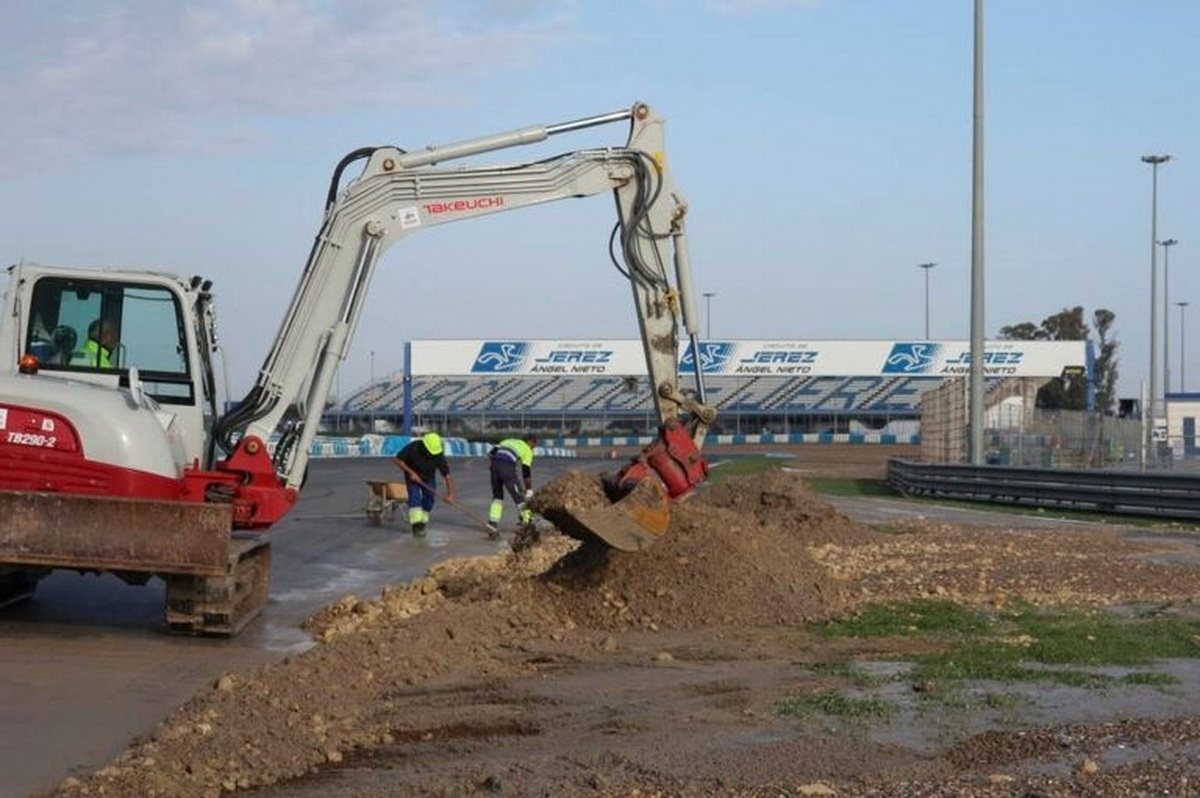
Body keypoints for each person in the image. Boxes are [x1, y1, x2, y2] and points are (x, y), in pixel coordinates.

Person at [393, 431, 455, 536]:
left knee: (429, 500)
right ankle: (417, 526)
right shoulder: (413, 448)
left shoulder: (438, 455)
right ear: (425, 447)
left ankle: (423, 522)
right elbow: (397, 460)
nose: (432, 455)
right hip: (412, 477)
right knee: (414, 497)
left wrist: (450, 495)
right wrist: (411, 472)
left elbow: (447, 475)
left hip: (429, 477)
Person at [487, 434, 537, 537]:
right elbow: (526, 472)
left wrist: (493, 466)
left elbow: (491, 453)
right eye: (534, 444)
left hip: (495, 467)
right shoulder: (527, 450)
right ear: (530, 442)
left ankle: (492, 524)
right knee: (518, 496)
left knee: (497, 497)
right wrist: (529, 490)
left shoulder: (507, 440)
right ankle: (528, 524)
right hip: (507, 467)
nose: (534, 447)